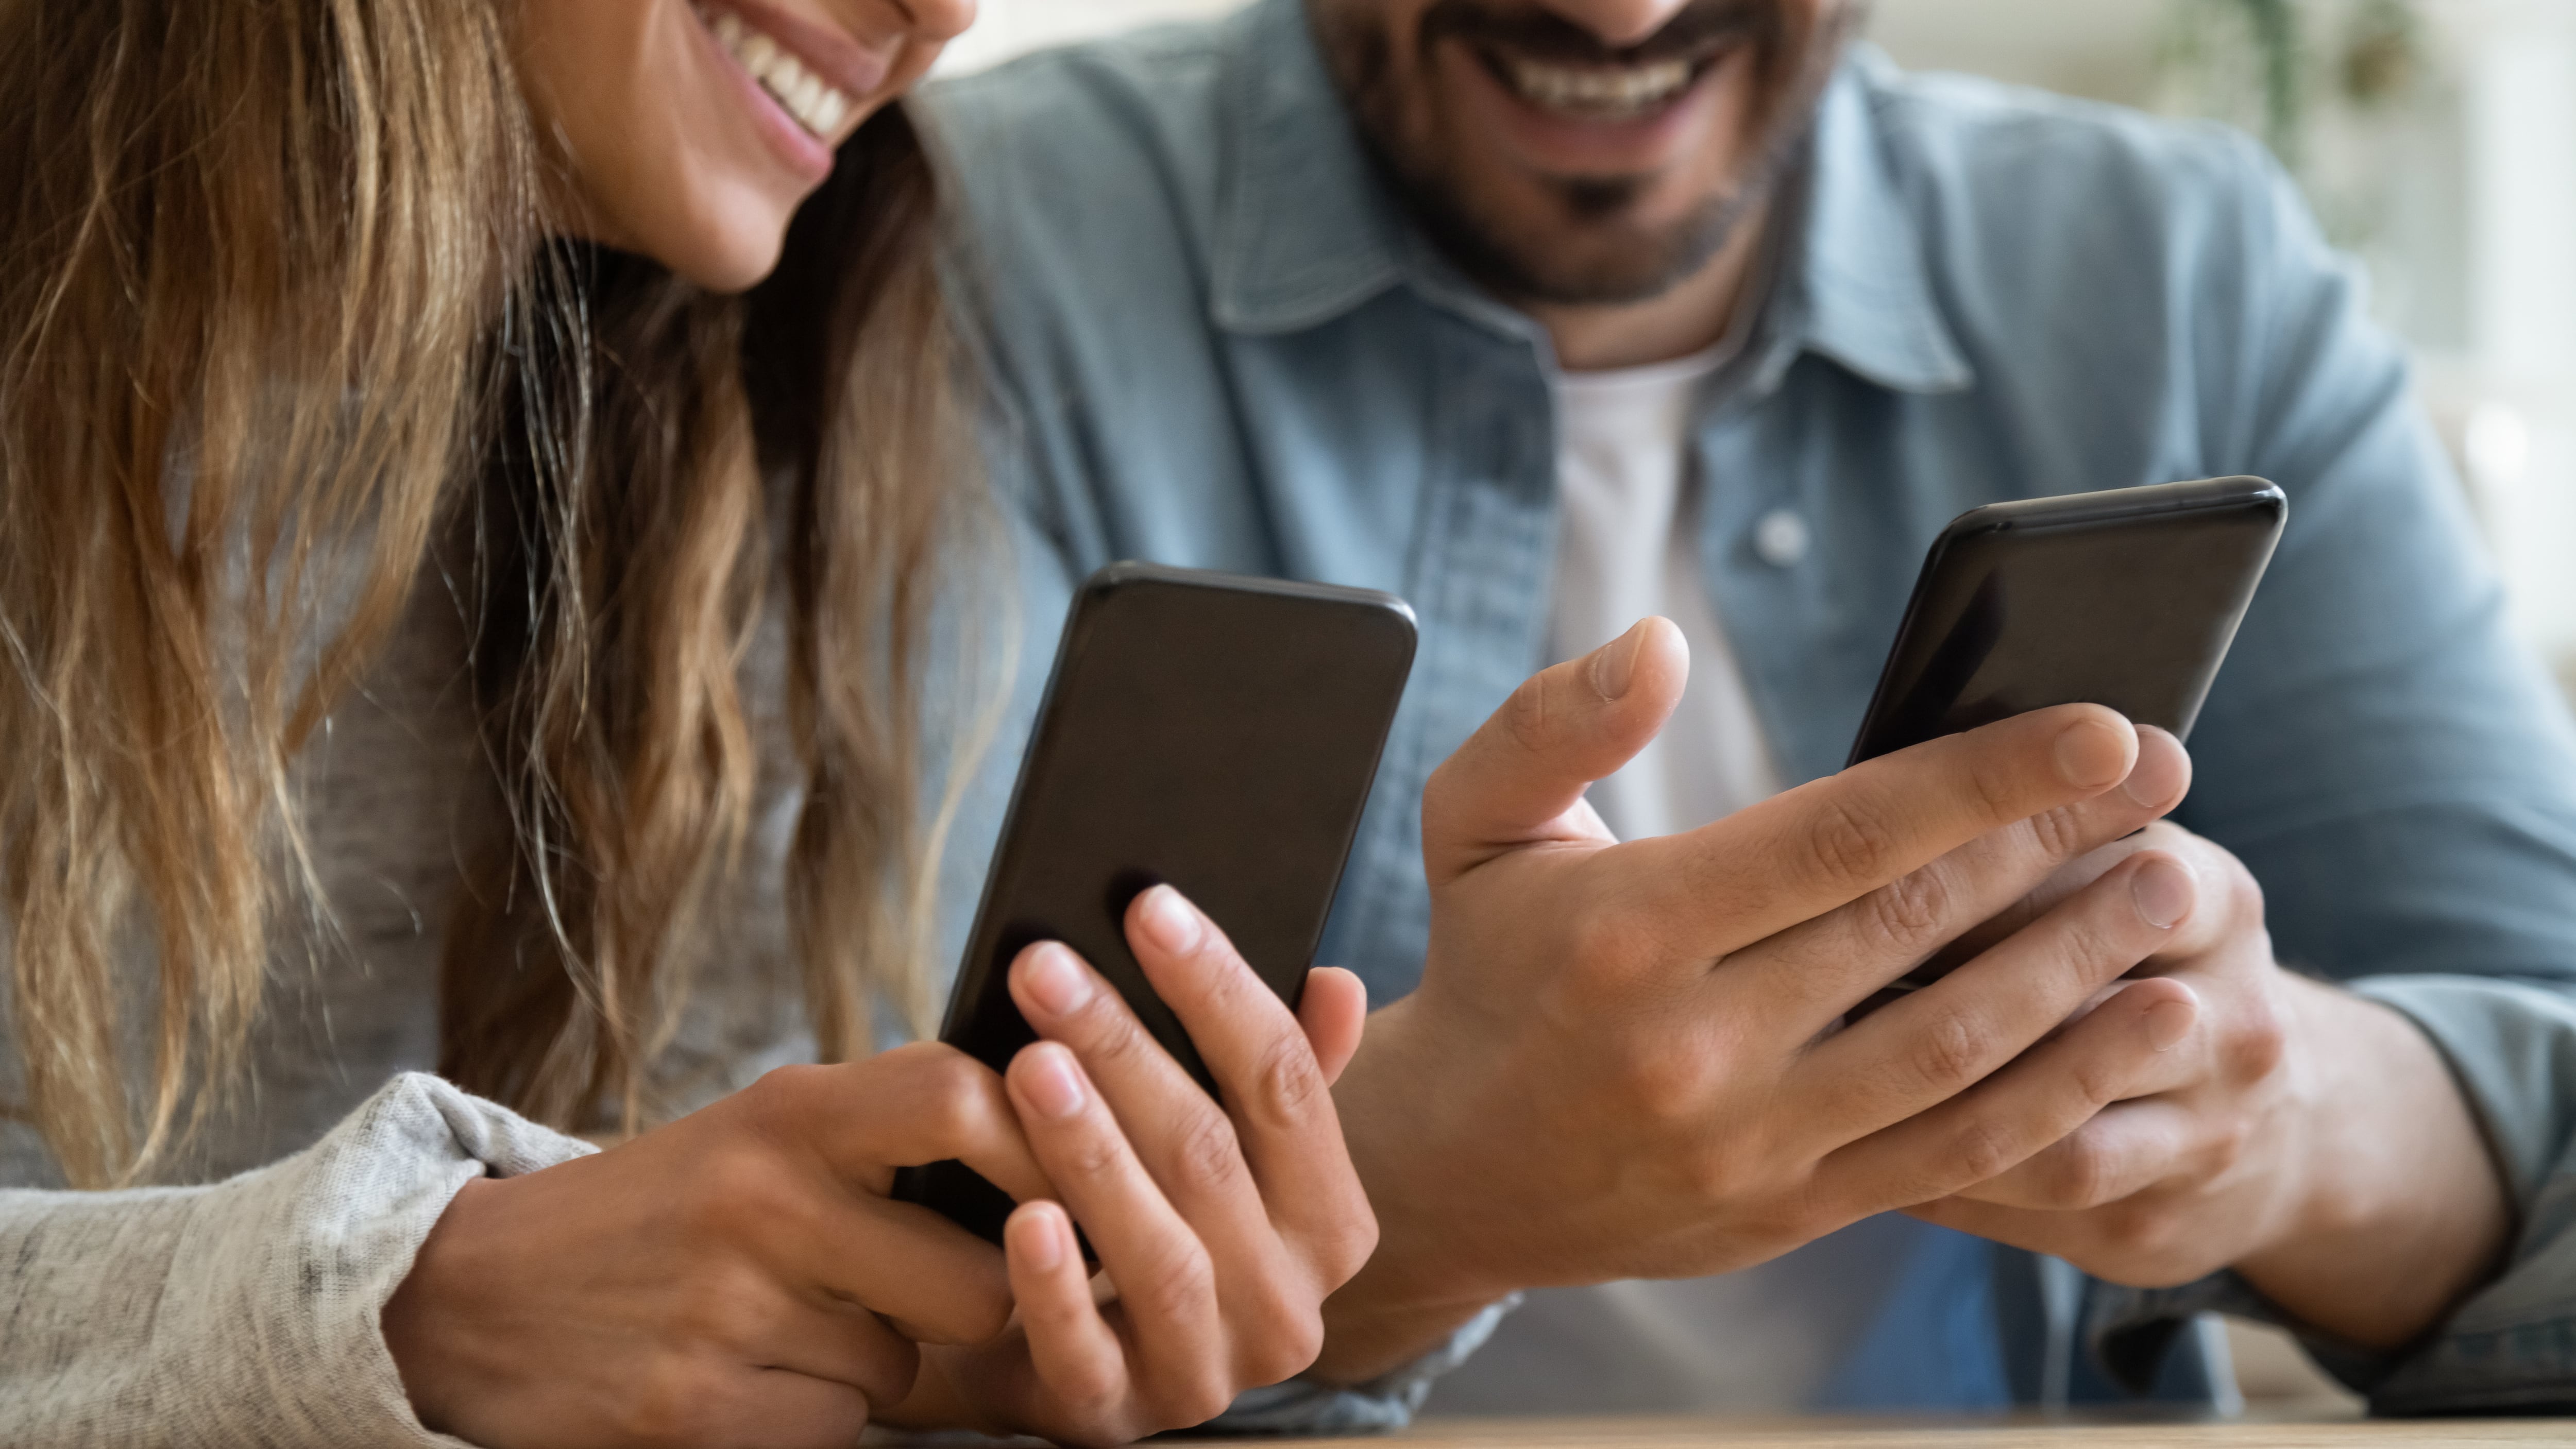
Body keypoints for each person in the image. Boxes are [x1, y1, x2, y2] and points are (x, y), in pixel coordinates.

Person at [923, 0, 2576, 1424]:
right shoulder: (955, 243)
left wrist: (2277, 1119)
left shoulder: (2183, 268)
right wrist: (1434, 1187)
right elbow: (843, 1268)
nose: (1623, 17)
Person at [0, 2, 1378, 1446]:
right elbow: (496, 1321)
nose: (945, 16)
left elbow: (663, 1315)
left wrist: (922, 1356)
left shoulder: (775, 411)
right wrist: (405, 1305)